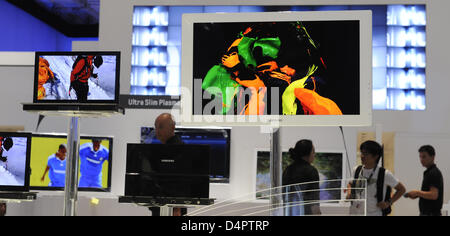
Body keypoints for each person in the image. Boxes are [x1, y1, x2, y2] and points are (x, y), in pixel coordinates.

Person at [349, 140, 406, 216]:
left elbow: (401, 189)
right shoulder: (356, 170)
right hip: (356, 212)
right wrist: (349, 192)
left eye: (366, 153)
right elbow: (350, 183)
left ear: (375, 156)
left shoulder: (384, 174)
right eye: (362, 153)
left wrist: (389, 202)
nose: (362, 156)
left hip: (376, 213)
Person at [149, 113, 186, 216]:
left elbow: (180, 180)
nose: (157, 131)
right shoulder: (165, 149)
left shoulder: (177, 149)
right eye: (155, 127)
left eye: (160, 127)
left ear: (172, 127)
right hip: (163, 205)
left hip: (171, 209)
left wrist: (177, 208)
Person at [282, 139, 321, 215]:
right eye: (313, 151)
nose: (314, 154)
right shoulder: (311, 171)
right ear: (307, 153)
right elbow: (314, 202)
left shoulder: (287, 170)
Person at [405, 145, 444, 216]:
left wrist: (417, 193)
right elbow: (429, 194)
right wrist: (417, 195)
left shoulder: (434, 173)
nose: (421, 160)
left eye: (424, 157)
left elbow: (433, 195)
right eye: (420, 157)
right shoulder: (429, 172)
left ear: (433, 157)